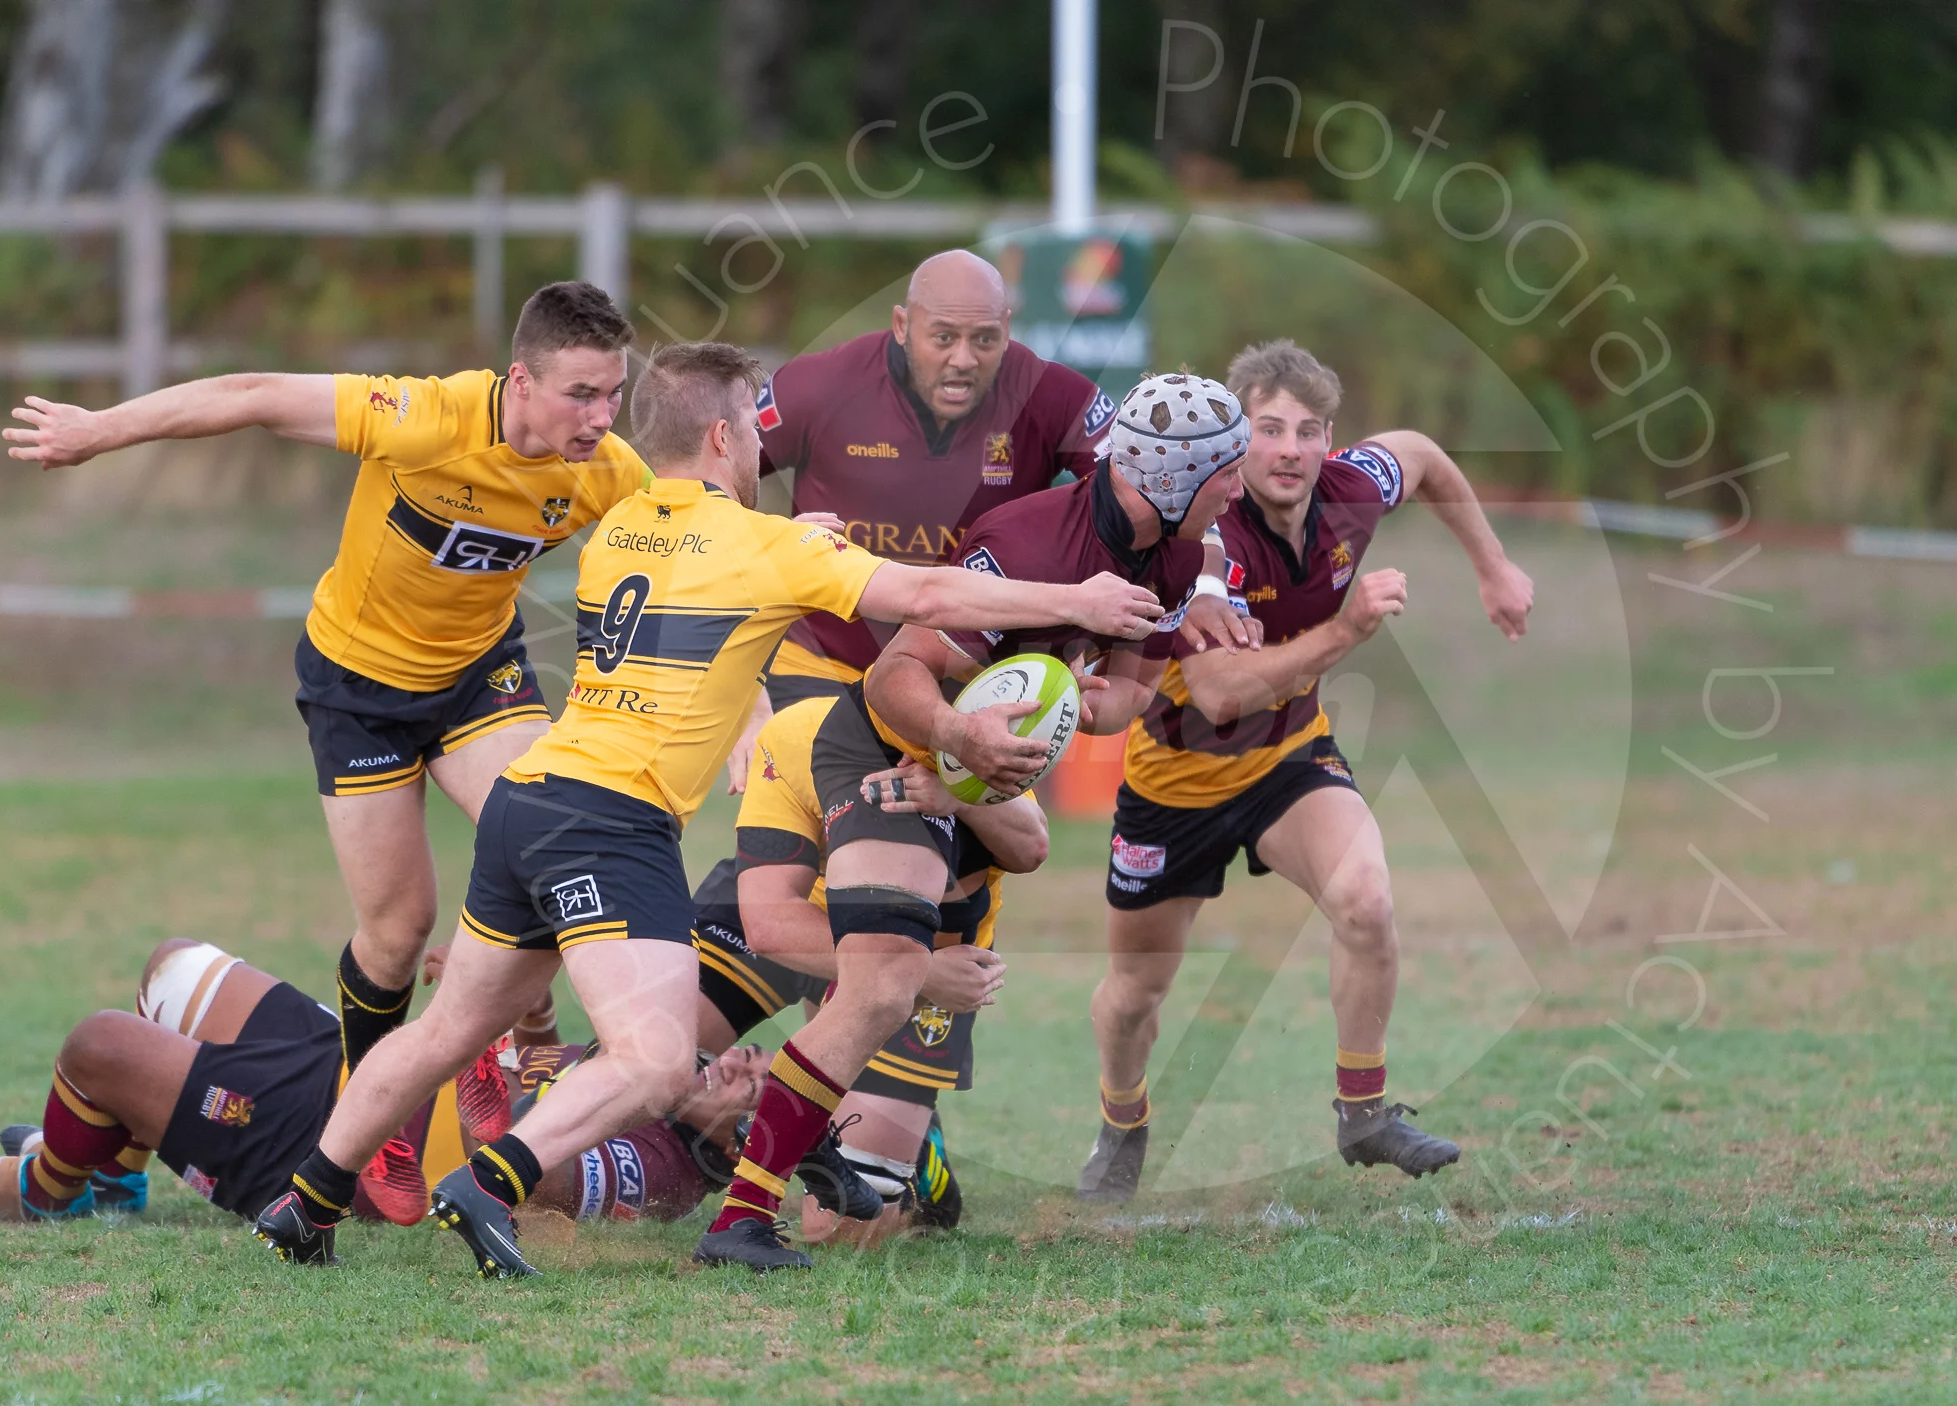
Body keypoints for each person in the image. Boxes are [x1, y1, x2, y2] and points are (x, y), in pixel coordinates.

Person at [252, 340, 1166, 1278]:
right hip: (610, 823)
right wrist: (1076, 598)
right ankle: (490, 1183)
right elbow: (927, 593)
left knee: (450, 1029)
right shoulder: (767, 544)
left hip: (529, 799)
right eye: (755, 429)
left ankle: (307, 1202)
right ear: (726, 437)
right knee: (652, 1061)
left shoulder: (622, 519)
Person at [2, 283, 652, 1086]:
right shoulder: (428, 419)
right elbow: (254, 395)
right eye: (581, 395)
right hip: (359, 691)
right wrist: (98, 430)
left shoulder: (607, 471)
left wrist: (783, 544)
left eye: (614, 393)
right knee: (398, 932)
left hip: (479, 675)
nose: (601, 417)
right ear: (521, 383)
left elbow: (701, 543)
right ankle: (368, 1110)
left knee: (556, 838)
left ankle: (529, 1037)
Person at [696, 371, 1246, 1274]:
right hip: (889, 757)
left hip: (969, 793)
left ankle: (892, 1153)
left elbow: (1125, 702)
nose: (1235, 498)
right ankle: (740, 1218)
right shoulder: (1022, 535)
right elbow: (892, 678)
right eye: (1225, 476)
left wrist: (1075, 703)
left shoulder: (1181, 557)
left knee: (869, 1206)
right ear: (1173, 477)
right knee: (881, 985)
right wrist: (959, 739)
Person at [1076, 340, 1536, 1200]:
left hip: (1289, 759)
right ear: (1233, 443)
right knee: (1134, 993)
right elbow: (1215, 693)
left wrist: (1494, 566)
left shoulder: (1352, 490)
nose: (1289, 449)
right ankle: (1122, 1119)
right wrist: (1349, 630)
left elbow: (1426, 458)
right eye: (1268, 429)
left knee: (1367, 899)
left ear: (1330, 440)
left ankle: (1363, 1112)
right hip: (1174, 784)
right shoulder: (1203, 537)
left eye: (1309, 431)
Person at [0, 939, 763, 1230]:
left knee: (97, 1044)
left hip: (332, 1151)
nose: (738, 1061)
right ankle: (109, 1173)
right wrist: (532, 1021)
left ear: (732, 1148)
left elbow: (522, 1173)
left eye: (746, 1092)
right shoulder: (656, 1077)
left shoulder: (659, 1169)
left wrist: (484, 1048)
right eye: (751, 1060)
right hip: (366, 1066)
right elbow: (541, 1076)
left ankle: (40, 1189)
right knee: (170, 970)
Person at [746, 248, 1253, 716]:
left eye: (984, 338)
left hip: (968, 679)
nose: (964, 358)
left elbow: (1162, 489)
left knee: (1014, 818)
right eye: (943, 336)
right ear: (902, 325)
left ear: (1008, 329)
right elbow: (714, 478)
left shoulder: (1050, 393)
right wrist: (753, 567)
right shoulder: (820, 386)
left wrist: (1205, 585)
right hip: (819, 665)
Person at [699, 696, 1048, 1238]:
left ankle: (909, 1143)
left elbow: (1032, 844)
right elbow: (767, 926)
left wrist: (958, 796)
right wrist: (923, 971)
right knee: (651, 1058)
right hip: (814, 924)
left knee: (838, 1229)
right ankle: (707, 1161)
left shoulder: (959, 739)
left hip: (923, 940)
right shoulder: (798, 735)